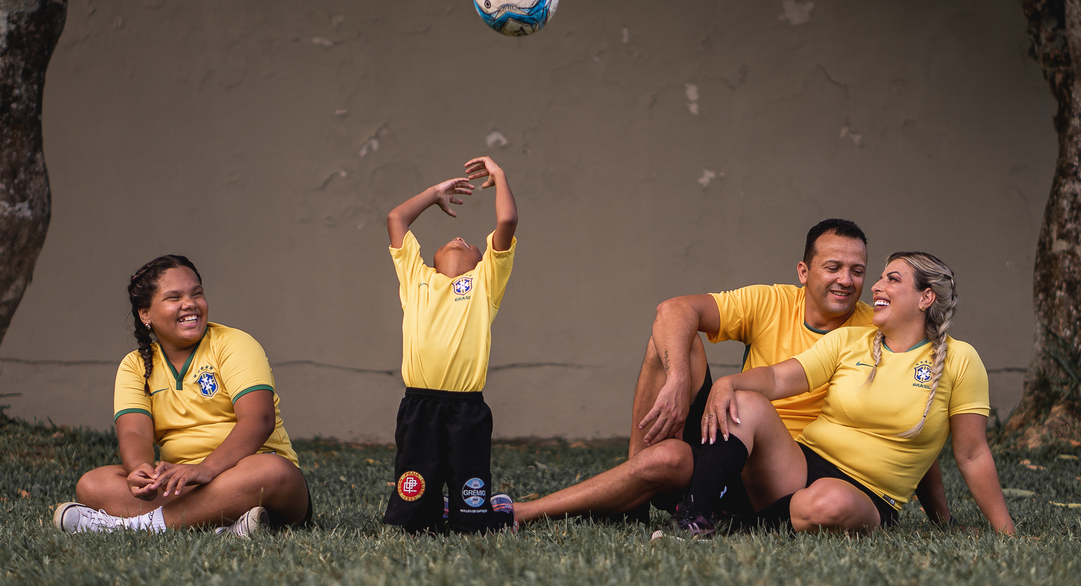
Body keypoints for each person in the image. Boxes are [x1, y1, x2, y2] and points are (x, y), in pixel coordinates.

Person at [514, 219, 948, 524]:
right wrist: (679, 380)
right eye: (832, 268)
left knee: (672, 457)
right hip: (727, 435)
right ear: (803, 272)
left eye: (857, 271)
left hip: (786, 470)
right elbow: (674, 310)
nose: (846, 281)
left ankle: (522, 512)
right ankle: (633, 470)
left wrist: (940, 517)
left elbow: (907, 421)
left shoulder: (877, 329)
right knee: (668, 342)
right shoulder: (772, 302)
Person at [681, 252, 1015, 536]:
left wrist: (1006, 532)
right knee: (747, 402)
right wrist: (730, 384)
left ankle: (743, 519)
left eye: (893, 280)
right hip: (800, 466)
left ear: (925, 297)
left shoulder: (961, 359)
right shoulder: (850, 340)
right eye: (880, 277)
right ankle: (694, 518)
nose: (876, 286)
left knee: (830, 502)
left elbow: (972, 454)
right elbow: (777, 378)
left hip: (867, 496)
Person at [54, 255, 311, 536]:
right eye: (174, 297)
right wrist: (140, 471)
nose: (190, 304)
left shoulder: (234, 343)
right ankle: (225, 525)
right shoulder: (134, 365)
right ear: (145, 314)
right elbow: (135, 433)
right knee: (93, 484)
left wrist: (205, 469)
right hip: (182, 484)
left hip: (250, 476)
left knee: (273, 471)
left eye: (196, 294)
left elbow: (258, 419)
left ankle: (138, 526)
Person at [381, 156, 518, 533]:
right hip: (419, 405)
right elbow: (397, 219)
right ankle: (430, 509)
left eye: (471, 243)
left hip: (466, 411)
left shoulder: (484, 284)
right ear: (433, 257)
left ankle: (486, 511)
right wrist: (434, 193)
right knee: (409, 514)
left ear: (482, 261)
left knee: (471, 513)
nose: (459, 239)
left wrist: (500, 176)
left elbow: (506, 221)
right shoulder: (417, 278)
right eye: (451, 239)